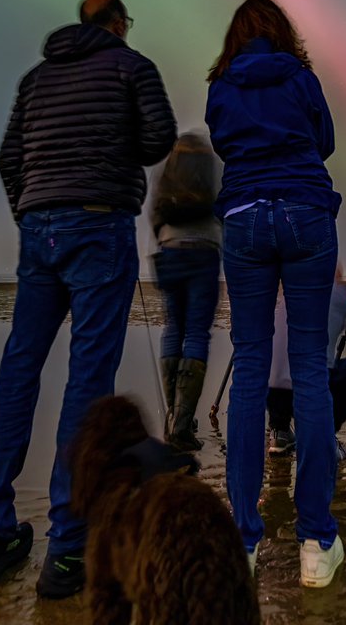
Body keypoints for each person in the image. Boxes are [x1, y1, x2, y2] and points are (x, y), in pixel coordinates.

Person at [0, 0, 176, 598]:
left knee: (19, 367)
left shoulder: (36, 77)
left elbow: (9, 157)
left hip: (40, 228)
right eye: (128, 24)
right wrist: (108, 154)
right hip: (98, 221)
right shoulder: (133, 66)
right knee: (88, 377)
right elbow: (157, 138)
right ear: (118, 24)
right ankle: (68, 547)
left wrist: (29, 209)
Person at [205, 0, 345, 588]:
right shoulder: (302, 78)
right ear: (283, 33)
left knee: (251, 370)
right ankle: (316, 540)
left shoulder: (221, 87)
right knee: (311, 368)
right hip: (307, 213)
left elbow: (222, 143)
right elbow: (327, 141)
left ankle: (244, 542)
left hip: (244, 219)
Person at [150, 130, 222, 451]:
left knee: (173, 327)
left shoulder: (166, 167)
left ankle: (173, 418)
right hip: (204, 250)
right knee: (196, 333)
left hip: (170, 248)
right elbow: (222, 207)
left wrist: (163, 236)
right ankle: (181, 422)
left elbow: (155, 213)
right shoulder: (213, 165)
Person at [267, 271, 346, 461]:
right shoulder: (342, 292)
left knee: (282, 365)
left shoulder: (291, 293)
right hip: (310, 387)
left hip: (272, 390)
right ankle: (325, 436)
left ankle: (279, 431)